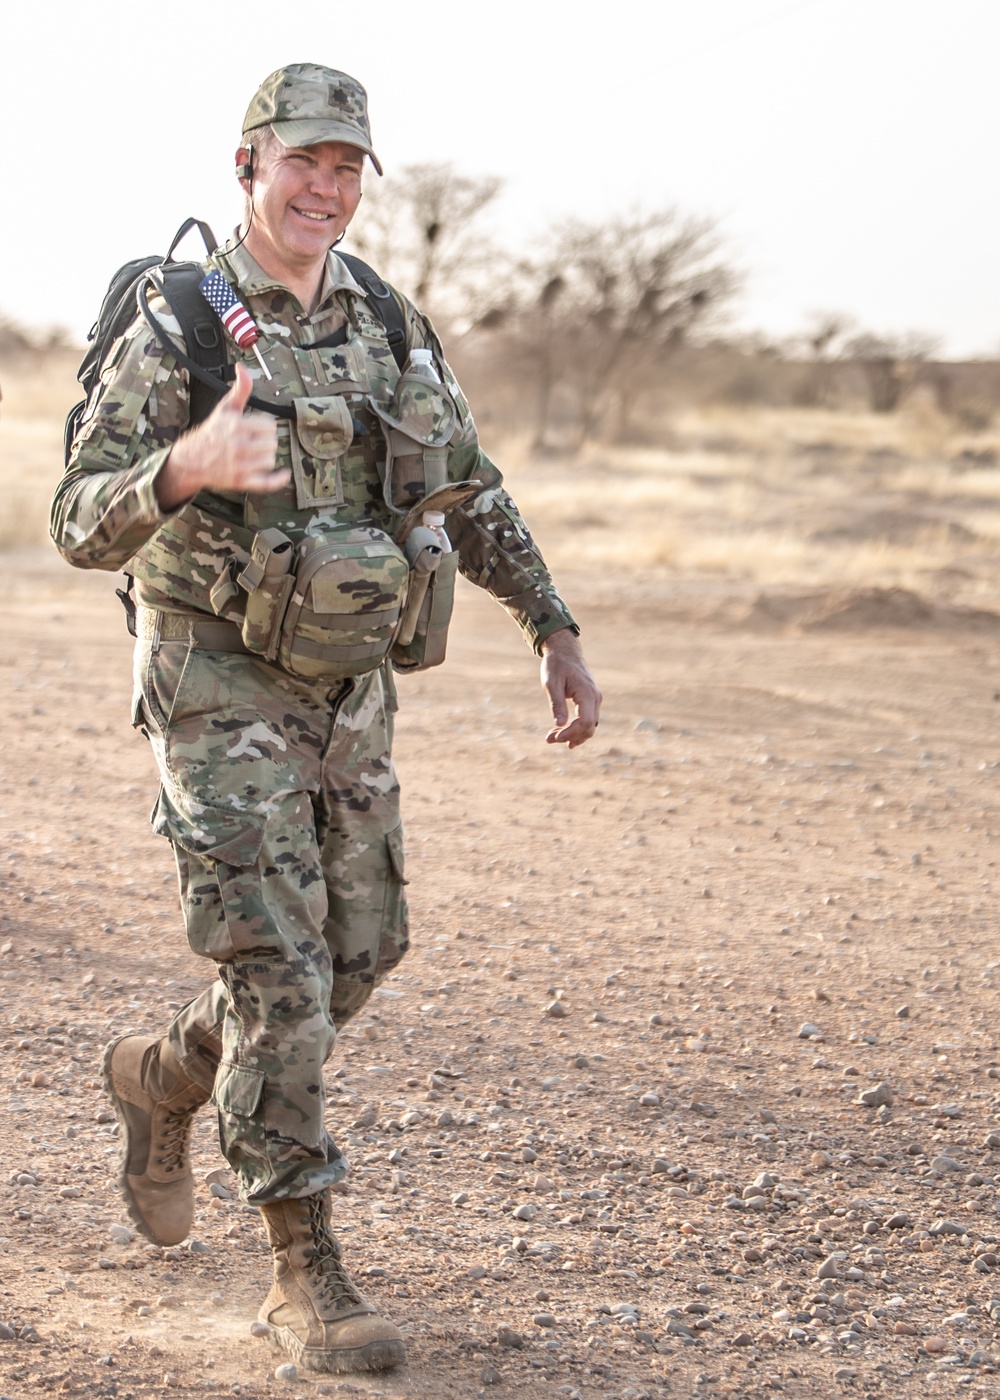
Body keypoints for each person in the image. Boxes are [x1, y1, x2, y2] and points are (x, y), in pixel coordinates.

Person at [50, 63, 601, 1376]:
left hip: (349, 688)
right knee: (283, 974)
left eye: (348, 168)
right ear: (249, 164)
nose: (327, 188)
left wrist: (554, 628)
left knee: (364, 950)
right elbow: (76, 517)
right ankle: (305, 1269)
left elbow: (469, 492)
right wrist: (185, 465)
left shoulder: (392, 323)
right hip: (212, 685)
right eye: (305, 161)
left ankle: (167, 1076)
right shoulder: (181, 325)